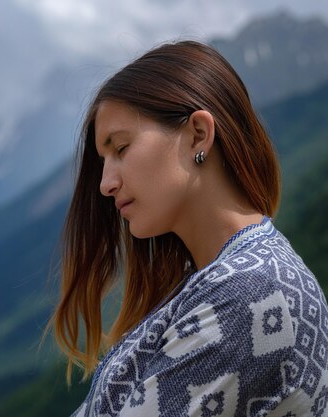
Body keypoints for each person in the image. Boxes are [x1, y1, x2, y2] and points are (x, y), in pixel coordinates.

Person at [48, 40, 328, 416]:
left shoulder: (252, 293)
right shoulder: (229, 277)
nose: (105, 183)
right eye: (103, 160)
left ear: (198, 134)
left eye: (121, 148)